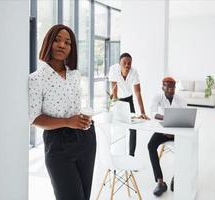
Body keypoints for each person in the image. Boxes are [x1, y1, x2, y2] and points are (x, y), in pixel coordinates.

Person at [28, 24, 96, 200]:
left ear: (71, 48)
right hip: (58, 143)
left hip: (85, 137)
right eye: (57, 40)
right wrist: (67, 122)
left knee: (84, 196)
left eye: (67, 42)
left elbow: (74, 106)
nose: (62, 45)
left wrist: (83, 118)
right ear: (48, 43)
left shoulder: (75, 75)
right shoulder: (36, 78)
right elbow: (34, 118)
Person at [148, 77, 187, 197]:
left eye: (173, 87)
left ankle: (177, 176)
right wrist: (166, 120)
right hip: (163, 130)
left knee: (184, 146)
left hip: (177, 130)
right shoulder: (158, 97)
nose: (171, 90)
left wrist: (174, 129)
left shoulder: (180, 99)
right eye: (168, 87)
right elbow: (153, 113)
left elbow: (185, 115)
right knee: (151, 145)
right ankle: (160, 181)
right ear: (163, 87)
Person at [108, 53, 149, 156]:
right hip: (117, 100)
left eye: (129, 63)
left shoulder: (134, 72)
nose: (127, 65)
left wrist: (143, 112)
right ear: (119, 64)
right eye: (124, 63)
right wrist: (115, 104)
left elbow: (138, 93)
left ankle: (131, 155)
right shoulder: (113, 69)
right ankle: (114, 154)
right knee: (116, 126)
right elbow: (114, 91)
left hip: (129, 99)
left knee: (133, 128)